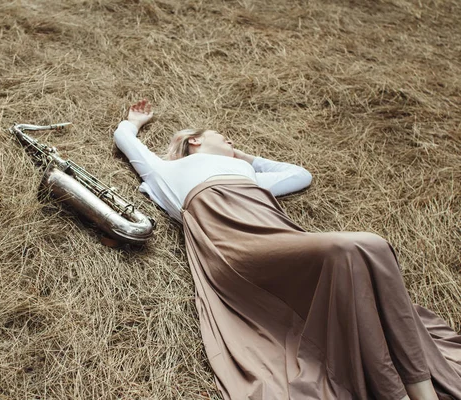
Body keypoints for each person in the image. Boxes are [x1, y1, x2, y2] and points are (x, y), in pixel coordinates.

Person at [113, 99, 461, 400]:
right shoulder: (165, 170)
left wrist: (242, 156)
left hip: (279, 237)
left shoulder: (245, 173)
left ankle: (422, 391)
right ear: (195, 139)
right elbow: (125, 140)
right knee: (362, 244)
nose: (231, 140)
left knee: (370, 250)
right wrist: (134, 122)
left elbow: (300, 174)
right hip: (234, 248)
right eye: (224, 136)